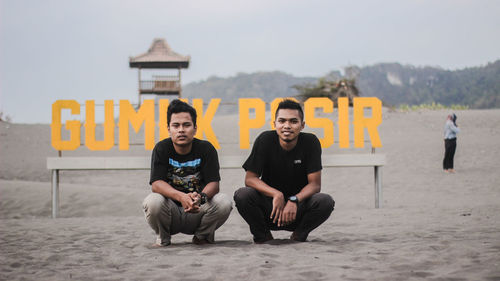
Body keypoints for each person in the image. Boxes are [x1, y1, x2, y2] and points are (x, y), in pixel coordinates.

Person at [233, 99, 335, 243]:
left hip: (297, 210)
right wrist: (276, 194)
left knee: (325, 201)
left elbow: (315, 185)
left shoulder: (310, 142)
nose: (287, 126)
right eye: (282, 121)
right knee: (243, 195)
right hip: (271, 209)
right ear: (274, 124)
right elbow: (250, 179)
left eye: (293, 121)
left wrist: (294, 200)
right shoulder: (265, 140)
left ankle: (299, 235)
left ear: (302, 125)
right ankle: (263, 237)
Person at [142, 99, 232, 246]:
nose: (181, 130)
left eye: (186, 125)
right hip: (170, 212)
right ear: (168, 128)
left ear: (195, 128)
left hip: (197, 210)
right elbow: (156, 184)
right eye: (176, 125)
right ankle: (163, 239)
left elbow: (214, 184)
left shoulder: (206, 149)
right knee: (153, 201)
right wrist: (181, 196)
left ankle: (201, 237)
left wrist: (200, 198)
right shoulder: (161, 148)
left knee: (224, 202)